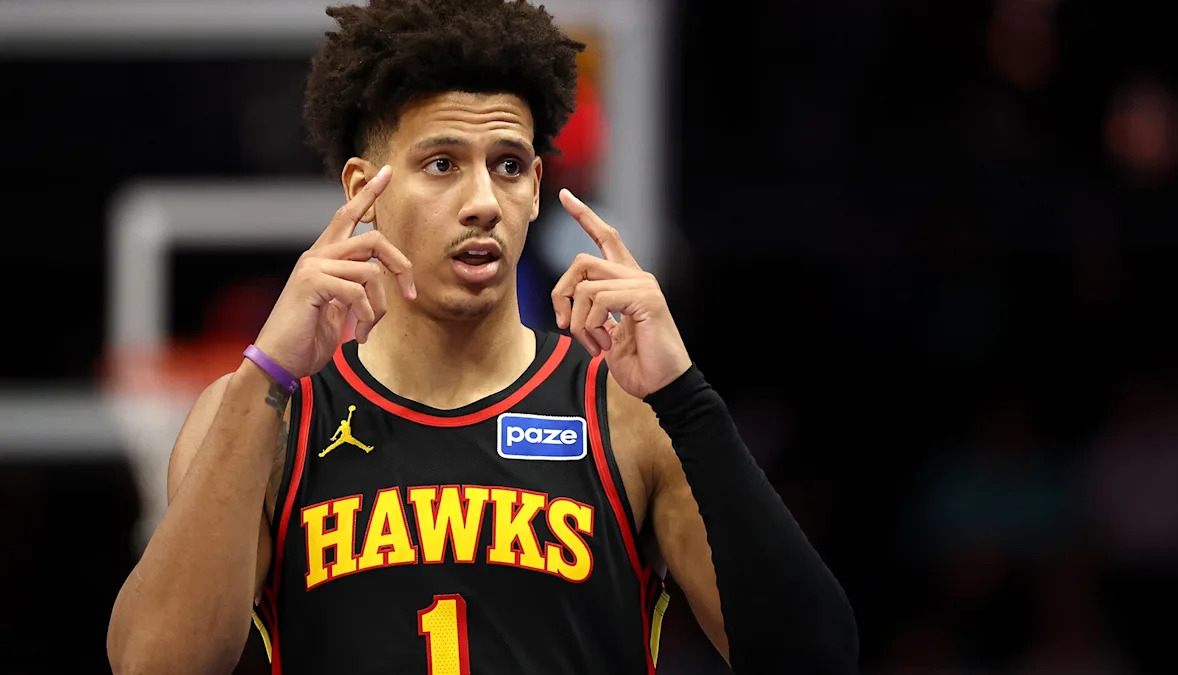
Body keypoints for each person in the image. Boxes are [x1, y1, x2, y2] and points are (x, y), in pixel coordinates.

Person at [105, 1, 857, 673]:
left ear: (536, 191)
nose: (483, 202)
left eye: (508, 166)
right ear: (364, 189)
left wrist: (686, 397)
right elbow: (154, 664)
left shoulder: (627, 411)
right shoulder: (265, 415)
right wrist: (264, 374)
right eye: (442, 164)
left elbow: (815, 656)